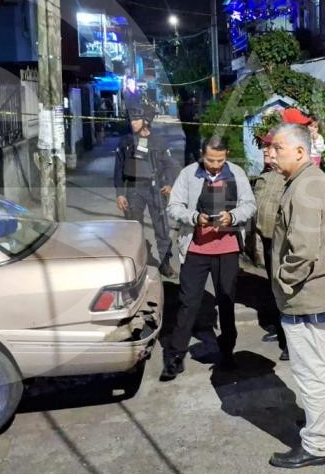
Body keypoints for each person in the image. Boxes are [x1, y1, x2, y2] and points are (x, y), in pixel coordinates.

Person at [268, 122, 325, 469]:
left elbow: (303, 250)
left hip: (305, 294)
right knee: (319, 365)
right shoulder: (307, 181)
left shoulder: (305, 187)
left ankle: (315, 445)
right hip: (314, 291)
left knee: (310, 372)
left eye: (278, 148)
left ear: (300, 151)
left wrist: (283, 281)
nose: (271, 154)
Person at [162, 136, 256, 381]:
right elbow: (174, 206)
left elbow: (249, 205)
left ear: (226, 156)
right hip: (196, 249)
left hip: (227, 249)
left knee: (226, 300)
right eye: (210, 160)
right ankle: (175, 355)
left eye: (220, 160)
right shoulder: (188, 174)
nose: (215, 165)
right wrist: (194, 217)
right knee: (188, 302)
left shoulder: (236, 173)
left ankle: (227, 352)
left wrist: (232, 217)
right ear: (202, 155)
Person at [113, 108, 178, 275]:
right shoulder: (126, 142)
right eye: (131, 120)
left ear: (146, 121)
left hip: (155, 188)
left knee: (162, 228)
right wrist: (120, 193)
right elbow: (118, 169)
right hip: (133, 189)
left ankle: (165, 262)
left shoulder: (158, 142)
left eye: (136, 119)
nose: (132, 123)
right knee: (133, 228)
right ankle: (138, 262)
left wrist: (169, 184)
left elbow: (169, 165)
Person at [251, 131, 288, 361]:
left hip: (282, 242)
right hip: (267, 239)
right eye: (264, 146)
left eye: (270, 147)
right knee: (273, 286)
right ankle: (279, 326)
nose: (265, 150)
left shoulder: (288, 177)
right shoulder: (265, 175)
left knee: (285, 288)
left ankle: (289, 341)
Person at [179, 92, 202, 165]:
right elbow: (196, 118)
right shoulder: (192, 108)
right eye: (193, 98)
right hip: (193, 130)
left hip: (186, 130)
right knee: (195, 148)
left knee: (188, 148)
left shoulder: (182, 108)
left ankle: (187, 163)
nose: (195, 99)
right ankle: (198, 162)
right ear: (191, 99)